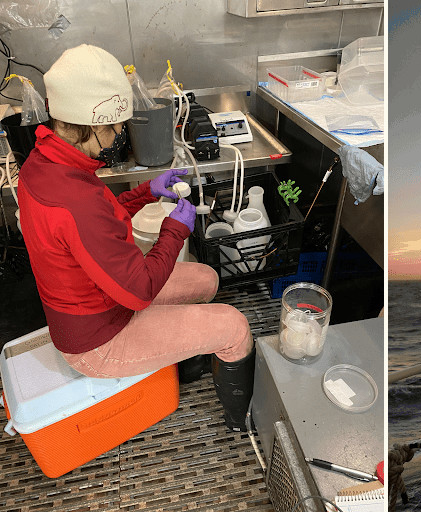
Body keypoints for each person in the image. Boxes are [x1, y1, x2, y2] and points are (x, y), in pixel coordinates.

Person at [15, 44, 254, 431]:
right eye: (113, 127)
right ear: (89, 124)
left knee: (206, 278)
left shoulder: (44, 163)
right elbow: (140, 290)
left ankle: (183, 361)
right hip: (98, 341)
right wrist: (176, 229)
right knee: (235, 327)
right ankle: (238, 422)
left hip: (101, 302)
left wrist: (146, 192)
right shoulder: (72, 199)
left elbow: (95, 226)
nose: (118, 135)